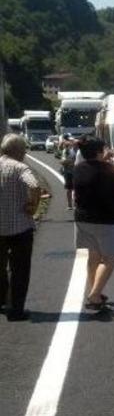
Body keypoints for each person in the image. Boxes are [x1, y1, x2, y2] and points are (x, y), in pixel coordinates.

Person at [73, 136, 114, 311]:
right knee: (109, 259)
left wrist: (106, 160)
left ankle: (97, 293)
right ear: (99, 152)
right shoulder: (108, 169)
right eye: (105, 149)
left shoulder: (78, 168)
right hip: (108, 220)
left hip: (84, 218)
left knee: (93, 256)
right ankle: (94, 295)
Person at [0, 134, 43, 321]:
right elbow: (34, 185)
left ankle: (1, 301)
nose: (25, 153)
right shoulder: (20, 168)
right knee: (20, 270)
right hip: (19, 228)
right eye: (24, 149)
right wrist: (32, 206)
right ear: (18, 151)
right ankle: (16, 310)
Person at [59, 135, 78, 210]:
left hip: (75, 171)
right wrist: (68, 162)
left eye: (72, 141)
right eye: (70, 141)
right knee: (69, 188)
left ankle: (75, 204)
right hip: (68, 171)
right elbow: (62, 161)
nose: (71, 142)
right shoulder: (66, 151)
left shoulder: (77, 150)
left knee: (76, 188)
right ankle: (70, 205)